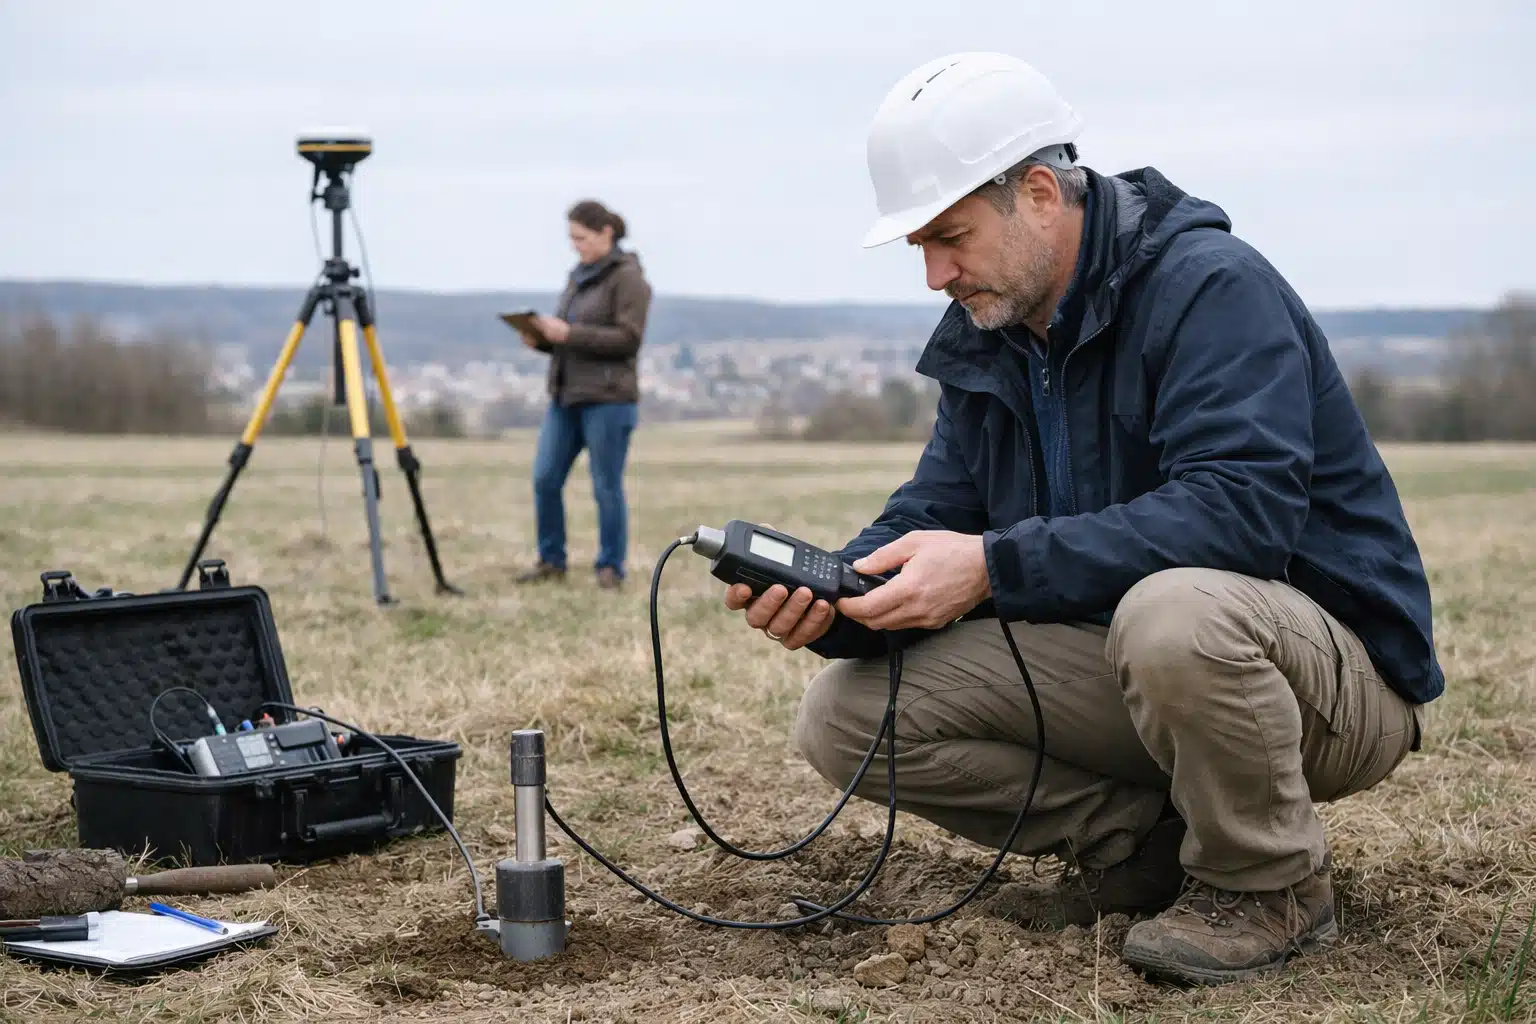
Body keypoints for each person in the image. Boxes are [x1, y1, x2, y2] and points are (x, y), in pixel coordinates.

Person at [722, 53, 1441, 986]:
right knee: (848, 716)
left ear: (1038, 193)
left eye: (952, 236)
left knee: (1174, 613)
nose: (936, 273)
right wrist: (839, 598)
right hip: (1136, 670)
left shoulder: (1210, 287)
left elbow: (1240, 516)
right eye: (919, 250)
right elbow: (935, 510)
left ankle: (1269, 885)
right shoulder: (992, 335)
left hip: (1326, 684)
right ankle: (1142, 853)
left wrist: (991, 566)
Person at [515, 199, 652, 589]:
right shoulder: (578, 276)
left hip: (609, 400)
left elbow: (629, 339)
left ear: (606, 233)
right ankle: (551, 561)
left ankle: (610, 568)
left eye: (581, 237)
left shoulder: (629, 279)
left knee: (605, 486)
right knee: (544, 478)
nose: (575, 245)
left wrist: (569, 334)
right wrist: (542, 340)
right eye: (571, 238)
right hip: (565, 397)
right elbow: (568, 339)